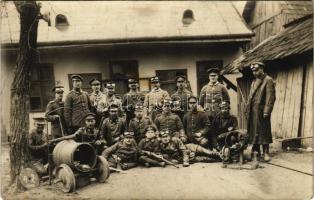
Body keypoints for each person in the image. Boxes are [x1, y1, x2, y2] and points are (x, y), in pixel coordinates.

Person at [246, 61, 276, 162]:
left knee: (264, 131)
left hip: (262, 111)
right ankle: (257, 151)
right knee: (254, 131)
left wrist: (267, 111)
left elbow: (270, 97)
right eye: (253, 71)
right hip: (253, 110)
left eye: (257, 70)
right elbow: (250, 97)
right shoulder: (254, 81)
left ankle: (266, 152)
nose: (255, 72)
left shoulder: (268, 80)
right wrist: (247, 109)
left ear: (262, 69)